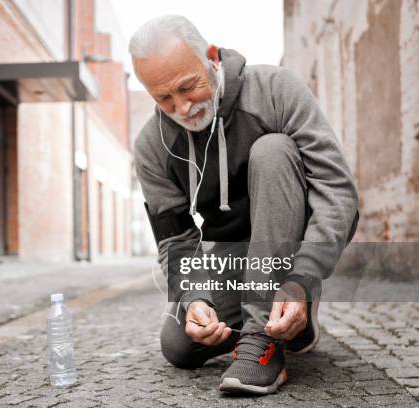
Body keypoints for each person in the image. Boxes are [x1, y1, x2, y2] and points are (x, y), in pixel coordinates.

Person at [131, 15, 359, 395]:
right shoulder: (151, 146)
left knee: (273, 150)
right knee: (179, 345)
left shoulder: (275, 88)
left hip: (289, 252)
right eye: (163, 98)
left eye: (188, 87)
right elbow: (175, 240)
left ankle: (264, 336)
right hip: (231, 258)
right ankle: (289, 325)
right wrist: (195, 297)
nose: (182, 107)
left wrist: (302, 277)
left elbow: (337, 189)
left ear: (211, 57)